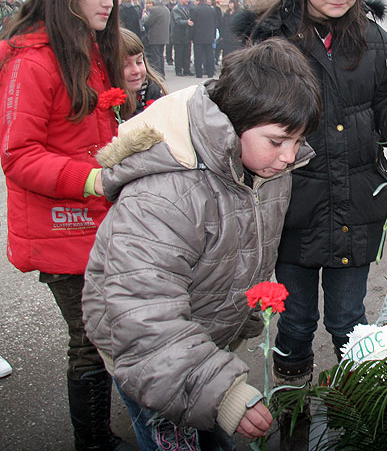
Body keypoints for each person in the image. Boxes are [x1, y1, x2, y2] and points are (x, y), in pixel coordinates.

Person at [235, 0, 387, 449]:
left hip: (357, 201)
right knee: (294, 324)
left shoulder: (374, 37)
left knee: (349, 322)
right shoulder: (272, 38)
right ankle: (291, 413)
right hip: (293, 204)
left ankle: (355, 413)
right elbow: (246, 114)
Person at [82, 38, 321, 451]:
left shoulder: (265, 171)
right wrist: (222, 392)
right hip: (152, 358)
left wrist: (243, 319)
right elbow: (143, 315)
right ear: (233, 124)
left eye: (298, 142)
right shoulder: (167, 194)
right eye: (278, 141)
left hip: (200, 348)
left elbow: (247, 253)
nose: (289, 157)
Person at [0, 0, 136, 451]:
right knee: (91, 344)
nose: (108, 2)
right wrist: (91, 180)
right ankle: (94, 441)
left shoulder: (87, 50)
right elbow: (18, 155)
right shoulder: (32, 63)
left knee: (103, 338)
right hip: (63, 228)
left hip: (96, 223)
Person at [120, 27, 167, 115]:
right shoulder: (110, 109)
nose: (136, 71)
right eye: (125, 65)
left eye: (138, 62)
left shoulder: (154, 93)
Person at [142, 0, 170, 77]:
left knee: (156, 57)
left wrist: (144, 17)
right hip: (163, 37)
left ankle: (158, 74)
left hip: (155, 37)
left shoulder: (155, 10)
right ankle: (162, 73)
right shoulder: (165, 9)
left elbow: (148, 23)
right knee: (160, 56)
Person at [191, 0, 217, 79]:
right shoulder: (211, 9)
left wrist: (191, 37)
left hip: (198, 37)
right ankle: (210, 72)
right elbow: (214, 23)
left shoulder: (195, 9)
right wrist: (213, 36)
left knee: (198, 56)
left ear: (198, 1)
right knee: (209, 55)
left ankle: (199, 73)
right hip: (209, 36)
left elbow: (192, 24)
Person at [171, 0, 193, 76]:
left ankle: (187, 69)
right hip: (178, 36)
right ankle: (179, 70)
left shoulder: (186, 9)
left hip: (186, 36)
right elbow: (178, 21)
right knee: (179, 55)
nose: (187, 0)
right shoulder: (176, 9)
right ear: (181, 0)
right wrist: (187, 22)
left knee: (187, 54)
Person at [165, 0, 178, 66]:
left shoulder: (179, 6)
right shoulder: (167, 6)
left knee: (176, 46)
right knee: (169, 45)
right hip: (168, 28)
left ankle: (176, 59)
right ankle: (169, 58)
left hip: (176, 29)